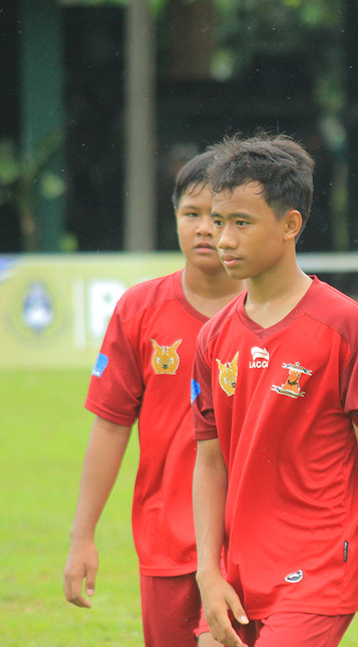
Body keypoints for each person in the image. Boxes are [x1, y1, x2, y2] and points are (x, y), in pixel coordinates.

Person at [191, 133, 358, 647]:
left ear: (290, 225)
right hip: (237, 572)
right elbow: (209, 460)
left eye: (241, 224)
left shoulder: (346, 327)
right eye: (219, 222)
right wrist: (208, 571)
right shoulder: (213, 336)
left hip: (318, 569)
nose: (223, 239)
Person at [64, 149, 243, 646]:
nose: (205, 228)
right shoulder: (139, 309)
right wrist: (82, 535)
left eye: (220, 216)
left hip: (250, 540)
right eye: (192, 214)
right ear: (175, 217)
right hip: (166, 539)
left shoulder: (273, 313)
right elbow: (110, 424)